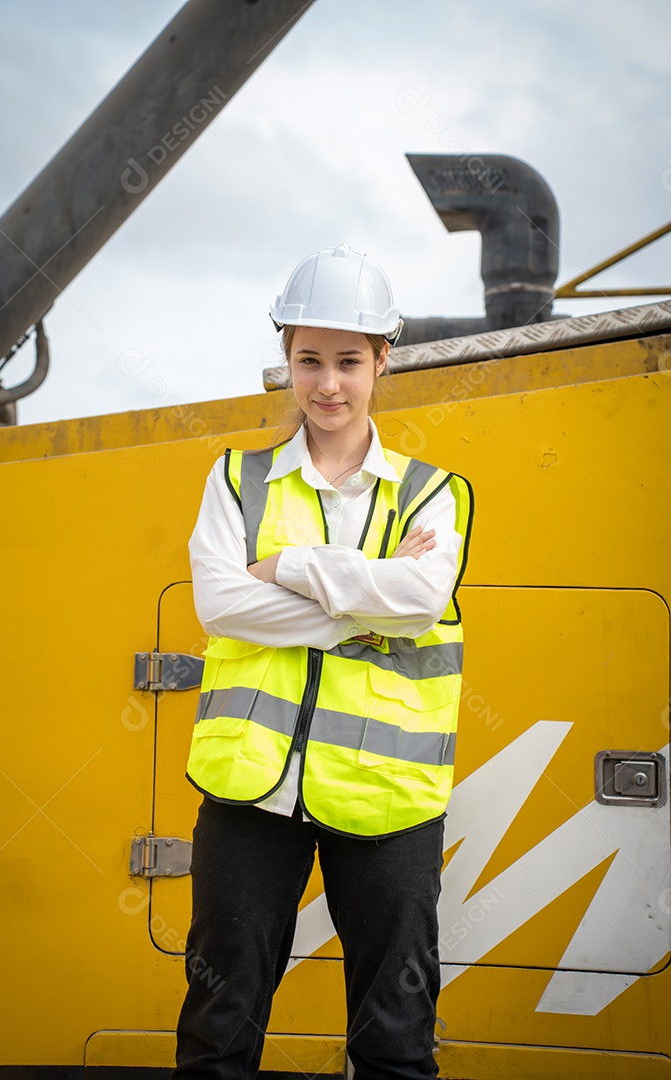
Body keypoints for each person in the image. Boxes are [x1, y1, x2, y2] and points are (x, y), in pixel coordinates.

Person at [173, 244, 473, 1079]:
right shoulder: (237, 479)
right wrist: (357, 612)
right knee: (218, 1024)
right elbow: (221, 605)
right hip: (250, 790)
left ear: (384, 360)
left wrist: (295, 570)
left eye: (349, 360)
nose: (328, 384)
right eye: (309, 361)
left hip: (388, 797)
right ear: (286, 362)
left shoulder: (432, 492)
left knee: (395, 1037)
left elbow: (418, 603)